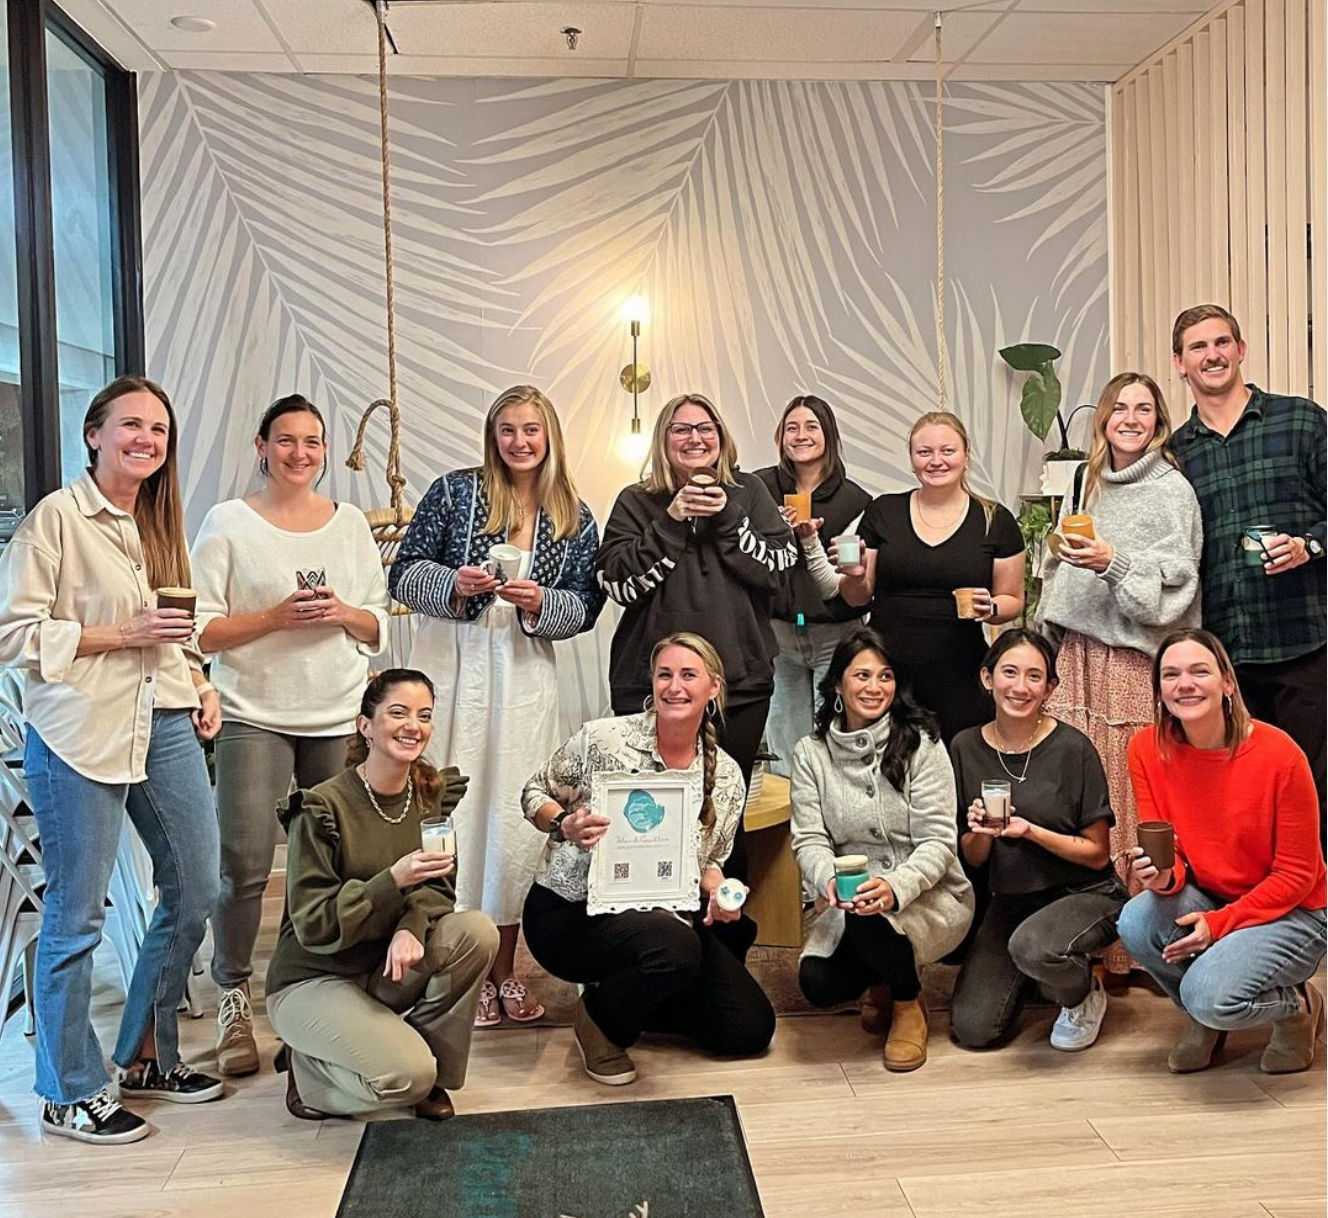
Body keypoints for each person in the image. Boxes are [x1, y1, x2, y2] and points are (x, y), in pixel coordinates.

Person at [0, 376, 224, 1145]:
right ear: (93, 434)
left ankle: (147, 1055)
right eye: (132, 424)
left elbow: (175, 629)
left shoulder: (160, 525)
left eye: (159, 429)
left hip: (162, 719)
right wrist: (114, 637)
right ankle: (68, 1090)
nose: (147, 440)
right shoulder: (55, 521)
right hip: (77, 733)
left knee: (198, 885)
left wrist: (199, 681)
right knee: (77, 913)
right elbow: (11, 634)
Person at [389, 385, 603, 1028]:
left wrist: (541, 603)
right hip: (452, 666)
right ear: (493, 435)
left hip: (524, 671)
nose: (519, 441)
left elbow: (585, 606)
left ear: (550, 436)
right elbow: (403, 572)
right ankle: (453, 966)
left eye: (531, 429)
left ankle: (504, 972)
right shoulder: (454, 492)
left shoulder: (573, 515)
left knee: (513, 820)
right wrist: (454, 583)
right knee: (450, 812)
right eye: (507, 429)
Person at [192, 394, 390, 1076]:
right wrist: (274, 617)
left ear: (325, 451)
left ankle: (301, 992)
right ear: (261, 446)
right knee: (244, 863)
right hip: (253, 712)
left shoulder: (351, 524)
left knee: (325, 866)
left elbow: (379, 622)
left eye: (312, 442)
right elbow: (202, 629)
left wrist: (343, 612)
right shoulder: (228, 523)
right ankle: (232, 995)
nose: (299, 454)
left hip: (335, 715)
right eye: (286, 441)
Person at [520, 632, 775, 1085]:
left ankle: (633, 988)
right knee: (676, 946)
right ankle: (599, 1020)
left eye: (688, 675)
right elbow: (533, 793)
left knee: (749, 1029)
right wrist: (564, 824)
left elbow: (711, 862)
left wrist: (717, 890)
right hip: (571, 912)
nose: (674, 687)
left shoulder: (729, 776)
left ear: (713, 688)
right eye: (664, 675)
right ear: (652, 683)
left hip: (663, 917)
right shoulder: (604, 739)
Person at [265, 669, 497, 1120]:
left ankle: (434, 1074)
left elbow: (439, 890)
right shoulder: (321, 807)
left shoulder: (429, 794)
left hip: (381, 968)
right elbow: (313, 923)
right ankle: (308, 1073)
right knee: (403, 1078)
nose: (414, 725)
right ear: (365, 725)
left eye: (424, 715)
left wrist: (411, 926)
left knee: (476, 932)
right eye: (398, 713)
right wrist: (392, 879)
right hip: (314, 976)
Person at [596, 393, 799, 880]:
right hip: (649, 688)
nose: (694, 438)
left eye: (704, 427)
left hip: (738, 685)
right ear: (664, 441)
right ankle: (656, 926)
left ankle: (727, 932)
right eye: (680, 430)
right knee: (652, 815)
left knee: (725, 814)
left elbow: (778, 570)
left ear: (721, 437)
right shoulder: (637, 500)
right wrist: (672, 521)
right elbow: (616, 582)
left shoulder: (749, 492)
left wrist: (728, 518)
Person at [1037, 372, 1202, 968]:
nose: (1130, 419)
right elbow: (1057, 572)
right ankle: (1068, 938)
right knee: (1074, 793)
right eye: (1119, 409)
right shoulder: (1084, 480)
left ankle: (1131, 947)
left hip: (1133, 662)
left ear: (1158, 422)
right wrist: (1043, 635)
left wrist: (1113, 561)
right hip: (1074, 658)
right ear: (1104, 418)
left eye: (1144, 410)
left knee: (1132, 797)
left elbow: (1176, 594)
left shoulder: (1173, 491)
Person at [1118, 629, 1327, 1074]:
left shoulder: (1280, 755)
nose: (1185, 684)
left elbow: (1298, 876)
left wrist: (1218, 925)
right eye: (1171, 674)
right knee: (1136, 918)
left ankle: (1297, 1008)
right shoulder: (1145, 749)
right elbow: (1169, 854)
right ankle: (1206, 1017)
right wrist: (1162, 876)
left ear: (1227, 683)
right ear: (1159, 690)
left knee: (1209, 994)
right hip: (1214, 896)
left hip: (1296, 911)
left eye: (1199, 671)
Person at [1168, 305, 1325, 834]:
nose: (1211, 355)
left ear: (1240, 350)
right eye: (1198, 347)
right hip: (1227, 656)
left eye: (1221, 343)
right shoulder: (1175, 455)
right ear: (1180, 364)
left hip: (1307, 640)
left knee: (1314, 791)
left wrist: (1309, 546)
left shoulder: (1300, 420)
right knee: (1244, 798)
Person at [790, 628, 973, 1071]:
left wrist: (894, 887)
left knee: (874, 921)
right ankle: (885, 978)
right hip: (849, 898)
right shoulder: (810, 753)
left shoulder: (922, 744)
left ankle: (908, 1001)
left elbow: (938, 841)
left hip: (926, 893)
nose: (875, 687)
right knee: (818, 984)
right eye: (862, 676)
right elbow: (809, 838)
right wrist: (827, 878)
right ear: (837, 684)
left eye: (886, 676)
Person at [948, 629, 1125, 1052]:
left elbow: (1098, 854)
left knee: (1033, 946)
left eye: (1034, 677)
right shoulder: (964, 746)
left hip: (1084, 892)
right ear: (988, 677)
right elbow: (973, 859)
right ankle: (1039, 970)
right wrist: (979, 831)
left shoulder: (1073, 748)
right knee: (974, 1030)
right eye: (1010, 672)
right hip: (1011, 900)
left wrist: (1031, 831)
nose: (1021, 687)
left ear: (1050, 688)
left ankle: (1081, 993)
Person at [839, 411, 1024, 744]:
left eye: (947, 451)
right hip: (886, 677)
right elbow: (857, 596)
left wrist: (990, 607)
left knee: (955, 773)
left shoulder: (995, 520)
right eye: (924, 452)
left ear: (966, 455)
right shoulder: (884, 512)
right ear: (912, 459)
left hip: (960, 675)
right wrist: (853, 575)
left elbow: (1013, 601)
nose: (936, 461)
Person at [755, 394, 871, 778]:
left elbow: (849, 580)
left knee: (835, 740)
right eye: (792, 427)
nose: (800, 436)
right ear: (780, 436)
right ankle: (788, 834)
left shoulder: (855, 500)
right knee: (784, 746)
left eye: (811, 427)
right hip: (777, 634)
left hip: (835, 633)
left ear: (828, 436)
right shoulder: (758, 490)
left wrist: (810, 540)